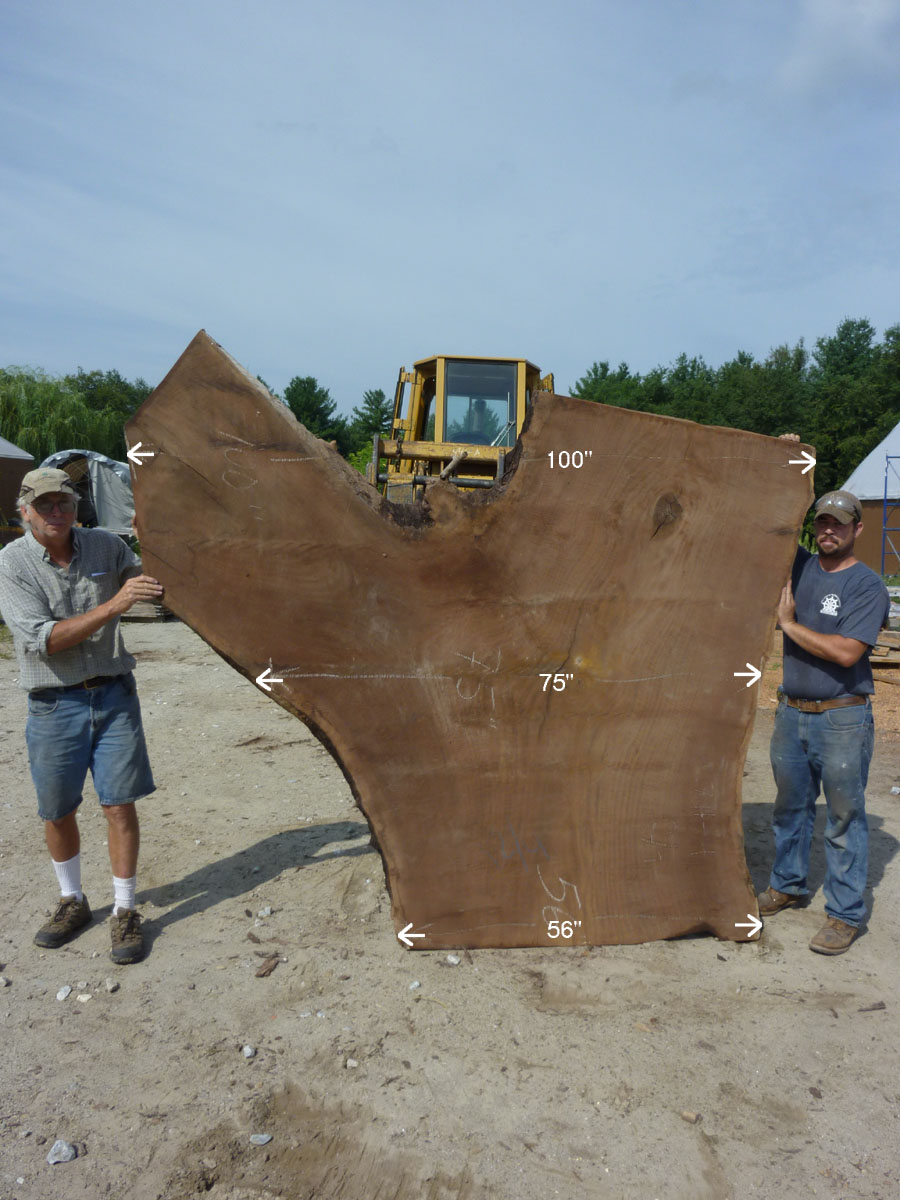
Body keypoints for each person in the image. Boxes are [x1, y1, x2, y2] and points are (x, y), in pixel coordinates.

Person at [0, 468, 164, 964]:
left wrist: (153, 538)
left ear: (76, 507)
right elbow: (44, 639)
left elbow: (151, 585)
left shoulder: (104, 547)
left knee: (118, 804)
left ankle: (125, 909)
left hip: (114, 695)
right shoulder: (12, 563)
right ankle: (72, 899)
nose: (57, 513)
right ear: (24, 509)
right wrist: (116, 603)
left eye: (65, 503)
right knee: (57, 810)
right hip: (53, 704)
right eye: (45, 504)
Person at [758, 489, 890, 954]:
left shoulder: (867, 586)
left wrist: (789, 625)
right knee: (789, 810)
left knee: (843, 817)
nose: (828, 530)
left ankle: (844, 915)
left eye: (839, 523)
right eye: (822, 523)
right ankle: (788, 884)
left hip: (843, 719)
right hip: (791, 713)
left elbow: (846, 652)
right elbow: (771, 519)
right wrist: (790, 463)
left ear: (858, 528)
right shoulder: (802, 566)